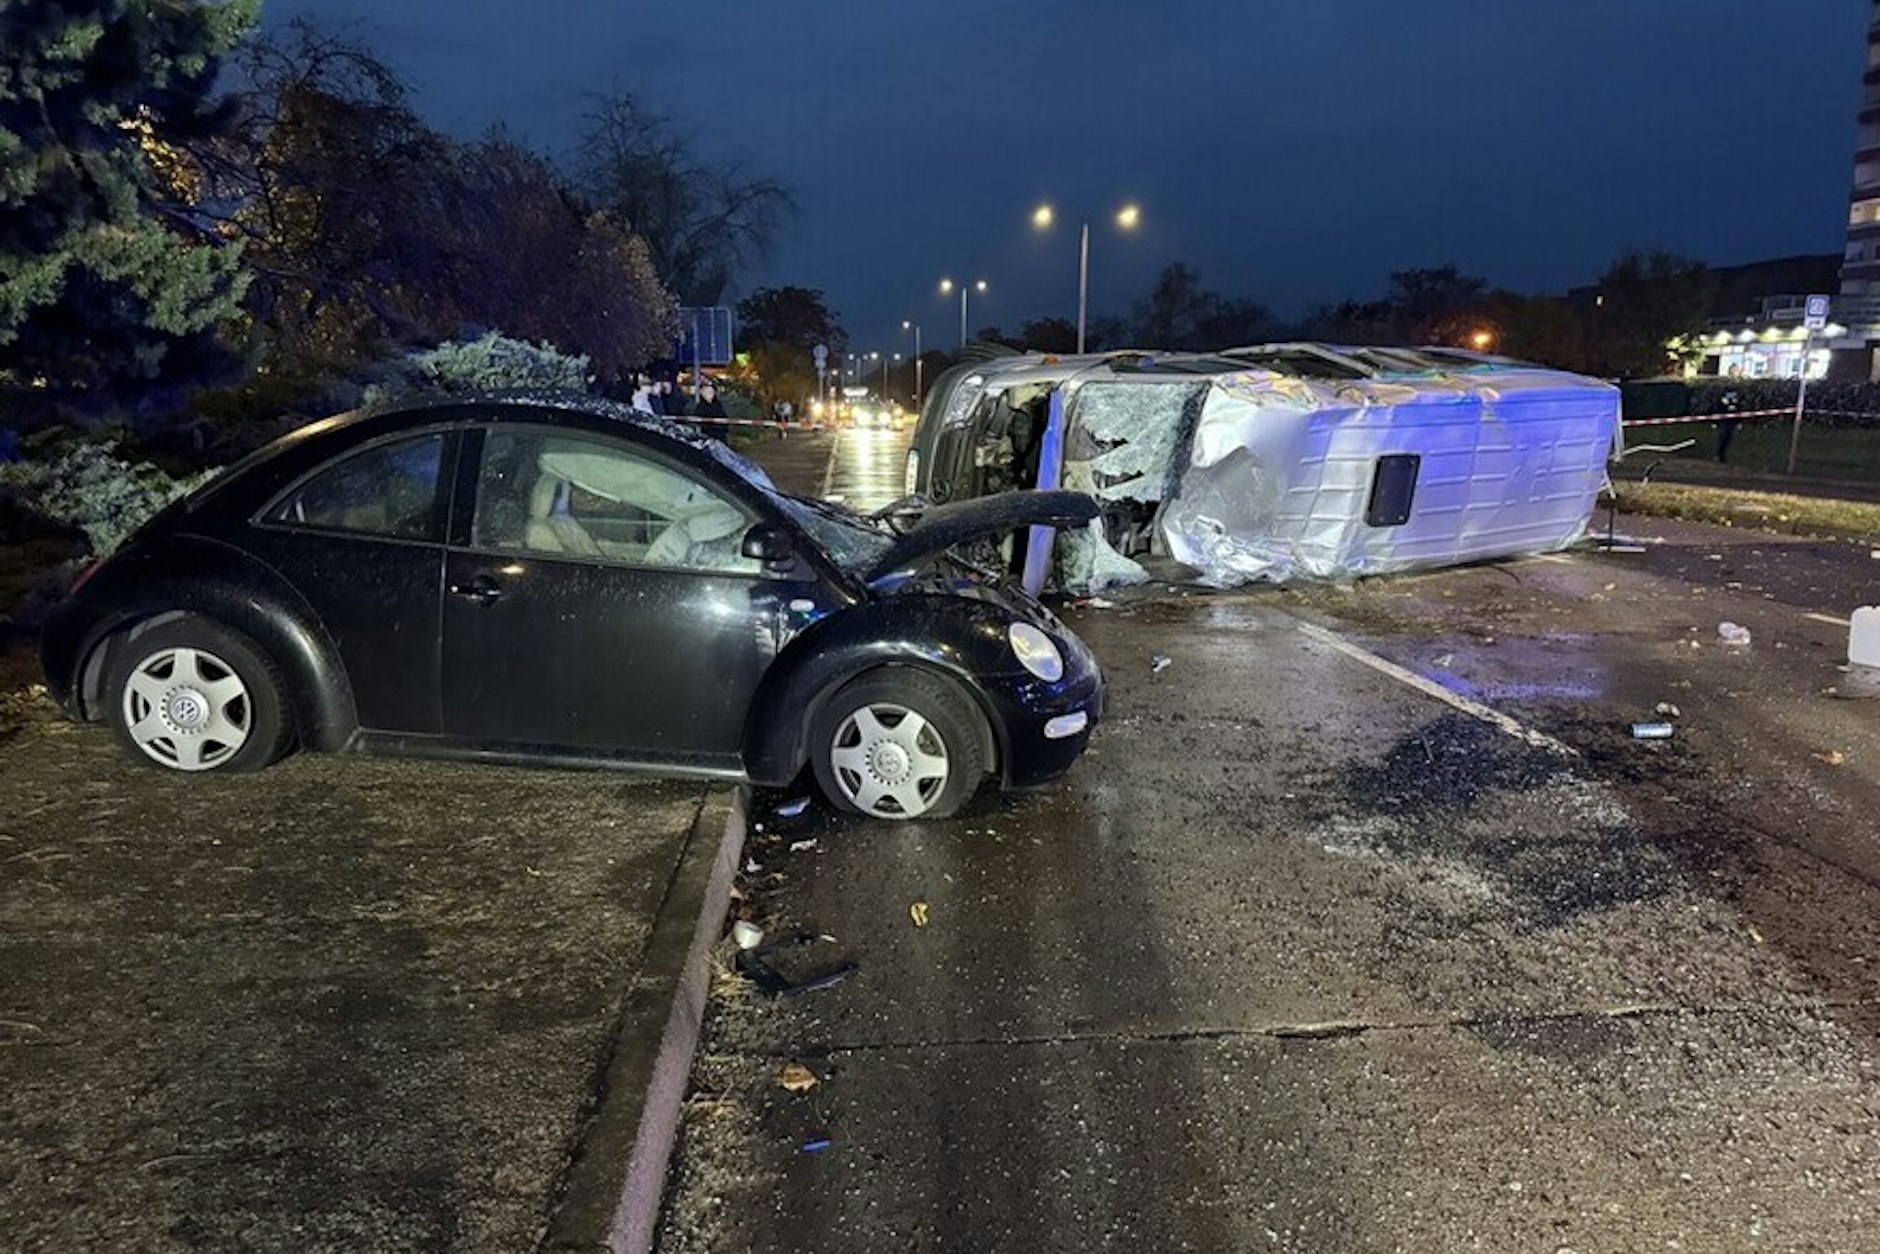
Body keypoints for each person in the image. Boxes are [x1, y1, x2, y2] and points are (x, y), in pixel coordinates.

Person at [1716, 376, 1742, 465]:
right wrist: (1716, 421)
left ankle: (1723, 455)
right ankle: (1719, 455)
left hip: (1732, 421)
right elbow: (1718, 407)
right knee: (1723, 437)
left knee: (1728, 438)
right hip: (1724, 420)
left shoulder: (1737, 395)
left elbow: (1739, 408)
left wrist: (1739, 421)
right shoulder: (1722, 394)